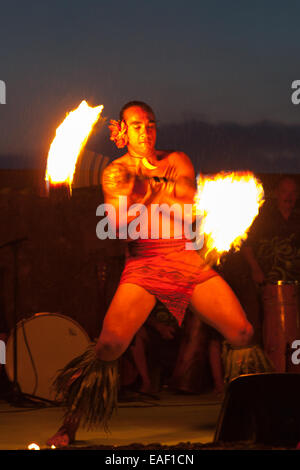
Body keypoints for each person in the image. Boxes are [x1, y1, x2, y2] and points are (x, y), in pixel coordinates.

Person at [47, 101, 253, 447]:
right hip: (144, 263)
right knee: (109, 346)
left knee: (243, 332)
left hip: (184, 257)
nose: (146, 130)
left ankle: (250, 416)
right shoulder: (114, 172)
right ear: (123, 132)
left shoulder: (178, 160)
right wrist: (142, 196)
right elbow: (120, 228)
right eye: (138, 125)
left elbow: (189, 208)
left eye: (151, 123)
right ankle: (69, 424)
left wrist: (152, 190)